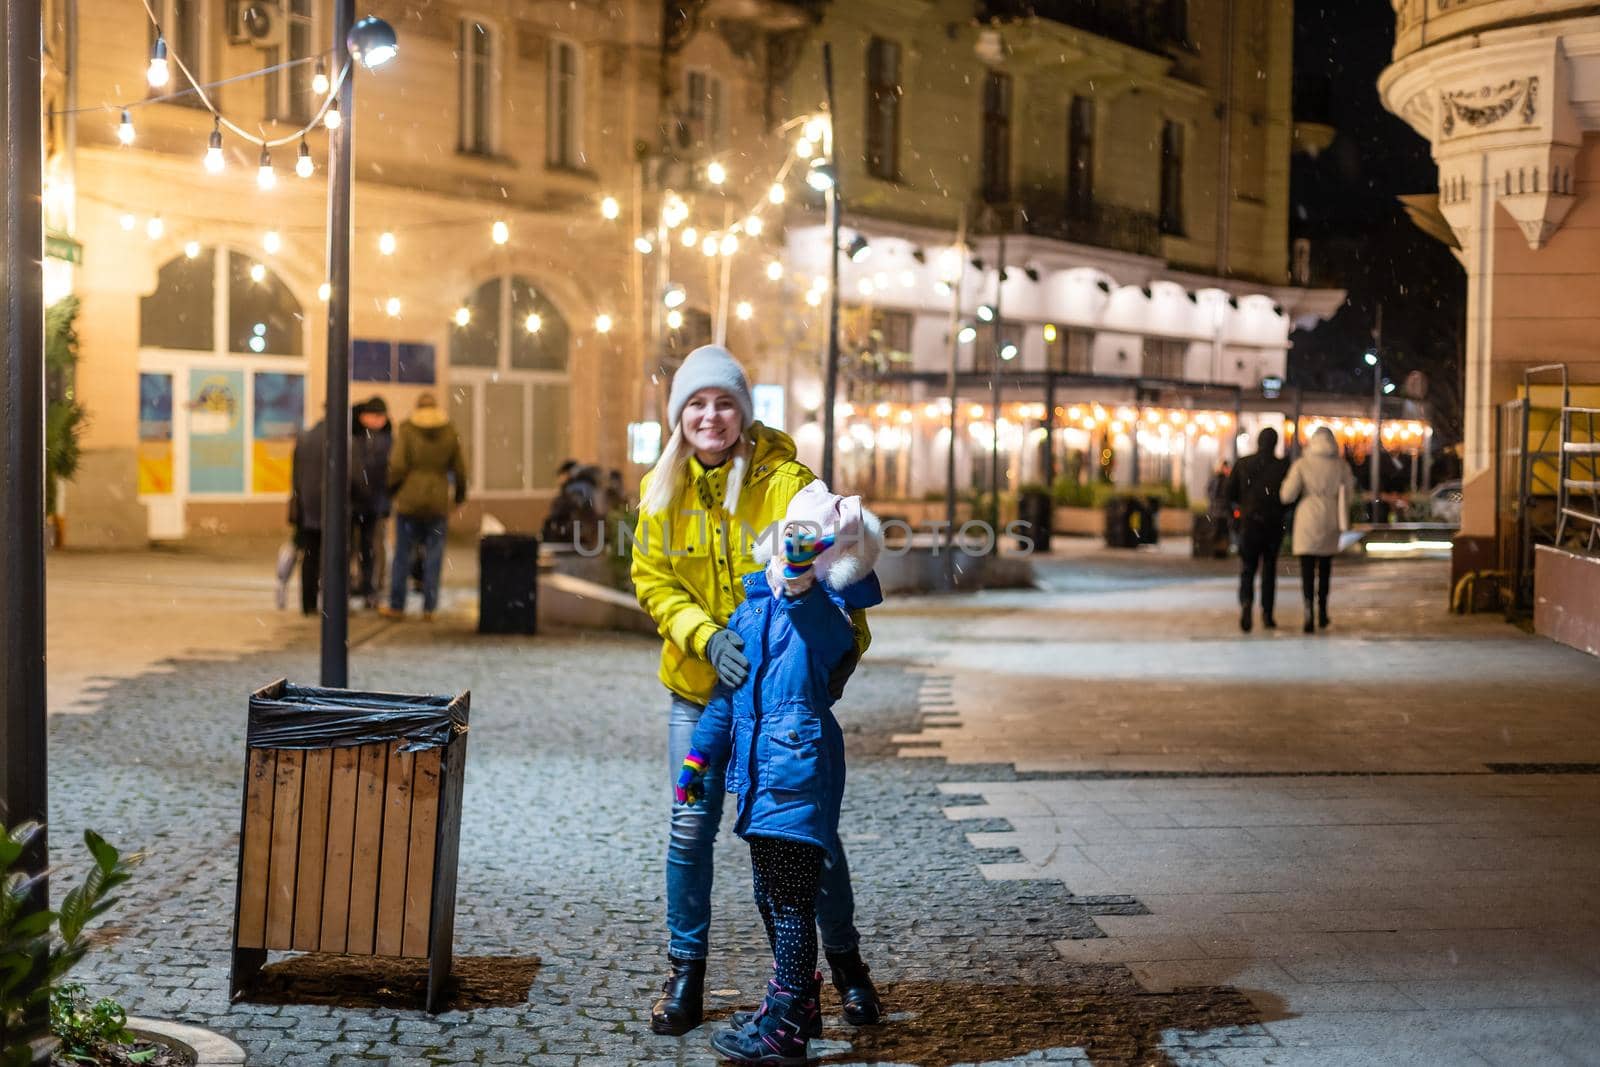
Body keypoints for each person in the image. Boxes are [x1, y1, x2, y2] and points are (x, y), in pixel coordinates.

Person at [631, 344, 882, 1037]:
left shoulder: (784, 480)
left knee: (804, 834)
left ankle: (847, 966)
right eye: (696, 403)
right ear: (679, 414)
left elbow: (838, 561)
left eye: (723, 401)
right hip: (699, 686)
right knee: (690, 823)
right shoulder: (663, 487)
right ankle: (686, 969)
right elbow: (652, 578)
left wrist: (841, 658)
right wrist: (706, 634)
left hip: (775, 702)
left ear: (743, 410)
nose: (709, 415)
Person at [675, 482, 884, 1064]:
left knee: (790, 900)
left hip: (798, 773)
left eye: (805, 551)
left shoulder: (824, 612)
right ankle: (799, 1005)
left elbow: (830, 637)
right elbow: (726, 698)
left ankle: (786, 1020)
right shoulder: (751, 608)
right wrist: (698, 757)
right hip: (759, 778)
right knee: (771, 896)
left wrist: (801, 583)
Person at [381, 393, 467, 622]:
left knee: (403, 555)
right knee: (434, 556)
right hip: (438, 502)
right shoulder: (449, 431)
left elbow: (397, 466)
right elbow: (460, 470)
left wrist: (391, 490)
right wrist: (459, 497)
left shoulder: (408, 430)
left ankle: (397, 605)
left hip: (409, 502)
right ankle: (429, 607)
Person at [1281, 426, 1357, 634]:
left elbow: (1286, 494)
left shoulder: (1302, 464)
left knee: (1307, 569)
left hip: (1307, 517)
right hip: (1330, 517)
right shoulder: (1340, 465)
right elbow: (1349, 494)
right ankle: (1322, 611)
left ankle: (1308, 610)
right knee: (1325, 568)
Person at [1225, 427, 1289, 633]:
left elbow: (1229, 494)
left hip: (1250, 523)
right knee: (1269, 569)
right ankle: (1267, 613)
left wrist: (1238, 515)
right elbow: (1288, 497)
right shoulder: (1282, 467)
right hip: (1272, 524)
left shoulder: (1243, 464)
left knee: (1247, 568)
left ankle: (1246, 604)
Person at [350, 396, 393, 609]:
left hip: (372, 504)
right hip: (360, 503)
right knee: (360, 548)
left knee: (371, 548)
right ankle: (363, 587)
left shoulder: (384, 440)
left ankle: (369, 587)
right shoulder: (357, 438)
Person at [288, 419, 327, 616]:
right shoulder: (340, 439)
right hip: (330, 509)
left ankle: (308, 603)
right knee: (332, 558)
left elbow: (295, 475)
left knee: (309, 557)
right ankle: (330, 604)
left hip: (308, 507)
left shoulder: (305, 438)